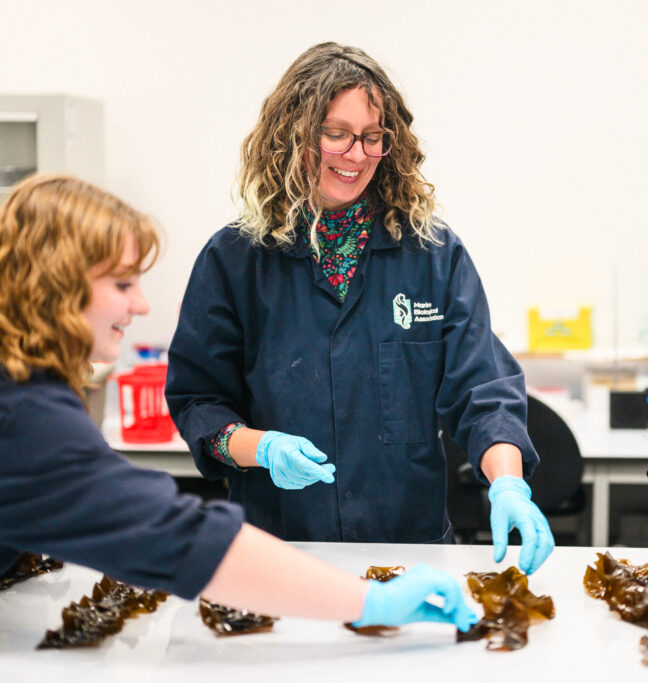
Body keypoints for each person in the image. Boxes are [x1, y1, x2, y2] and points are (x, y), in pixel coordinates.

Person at [0, 174, 477, 633]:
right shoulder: (8, 412)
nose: (142, 303)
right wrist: (372, 603)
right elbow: (177, 537)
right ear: (54, 284)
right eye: (124, 284)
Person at [165, 42, 554, 574]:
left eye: (373, 138)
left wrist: (508, 482)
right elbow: (198, 400)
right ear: (292, 135)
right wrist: (260, 447)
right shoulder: (235, 259)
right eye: (336, 133)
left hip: (408, 549)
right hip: (280, 553)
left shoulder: (432, 254)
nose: (356, 154)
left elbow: (482, 389)